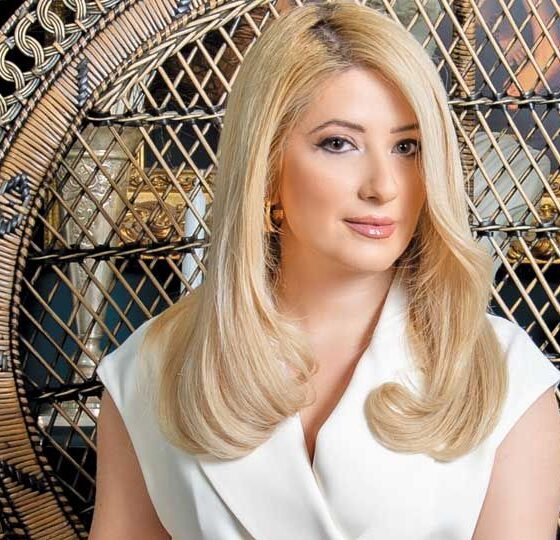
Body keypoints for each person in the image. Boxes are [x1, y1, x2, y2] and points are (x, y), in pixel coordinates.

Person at [90, 2, 560, 539]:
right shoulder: (149, 371)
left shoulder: (504, 377)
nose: (384, 185)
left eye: (407, 147)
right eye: (339, 143)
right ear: (266, 166)